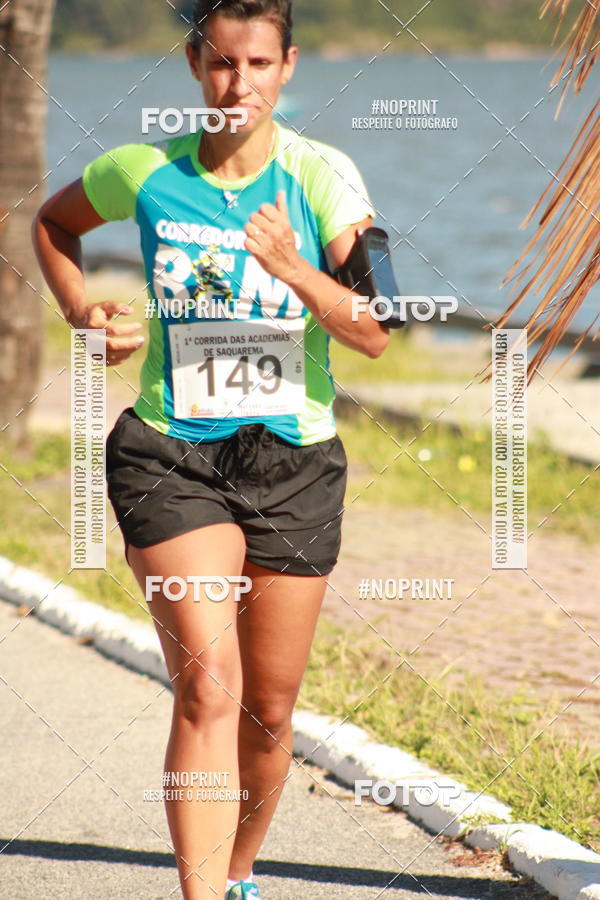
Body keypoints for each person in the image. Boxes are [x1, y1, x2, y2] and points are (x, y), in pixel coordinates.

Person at [32, 1, 390, 897]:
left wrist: (296, 270)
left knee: (267, 716)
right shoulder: (144, 171)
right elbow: (53, 223)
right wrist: (84, 314)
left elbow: (376, 329)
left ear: (289, 67)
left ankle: (235, 872)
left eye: (260, 65)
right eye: (224, 65)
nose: (241, 86)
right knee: (211, 686)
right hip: (172, 457)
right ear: (196, 64)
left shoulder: (322, 178)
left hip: (293, 465)